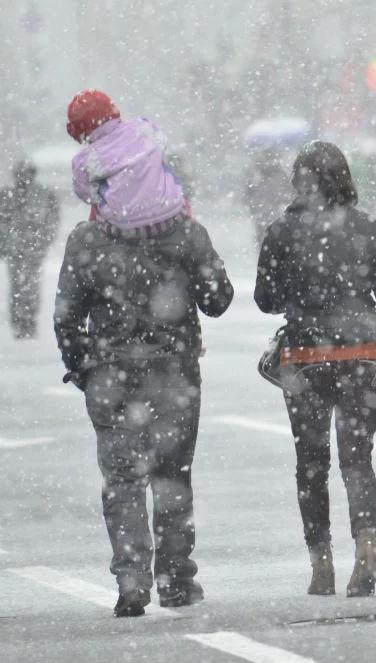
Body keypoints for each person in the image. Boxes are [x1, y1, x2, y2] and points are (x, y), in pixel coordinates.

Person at [254, 140, 376, 598]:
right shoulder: (367, 228)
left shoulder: (281, 232)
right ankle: (367, 546)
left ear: (299, 182)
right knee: (357, 461)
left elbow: (265, 301)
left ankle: (322, 562)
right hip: (363, 356)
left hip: (304, 360)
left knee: (311, 465)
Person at [53, 199, 233, 617]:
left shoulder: (87, 238)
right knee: (172, 474)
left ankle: (132, 578)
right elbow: (218, 299)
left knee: (121, 479)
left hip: (111, 373)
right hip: (174, 373)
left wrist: (85, 370)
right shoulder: (186, 233)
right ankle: (175, 578)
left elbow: (67, 319)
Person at [67, 89, 191, 236]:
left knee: (98, 203)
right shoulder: (143, 127)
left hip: (123, 228)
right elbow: (162, 144)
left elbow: (86, 195)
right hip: (172, 216)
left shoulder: (86, 158)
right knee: (164, 174)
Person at [0, 161, 60, 338]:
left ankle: (28, 319)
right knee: (18, 285)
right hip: (16, 249)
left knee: (31, 285)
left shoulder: (44, 195)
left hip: (32, 250)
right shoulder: (7, 196)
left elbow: (52, 221)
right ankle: (19, 320)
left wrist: (43, 241)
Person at [244, 149, 293, 245]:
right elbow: (288, 196)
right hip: (274, 217)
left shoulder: (257, 175)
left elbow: (249, 196)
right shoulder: (282, 175)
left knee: (266, 245)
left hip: (264, 216)